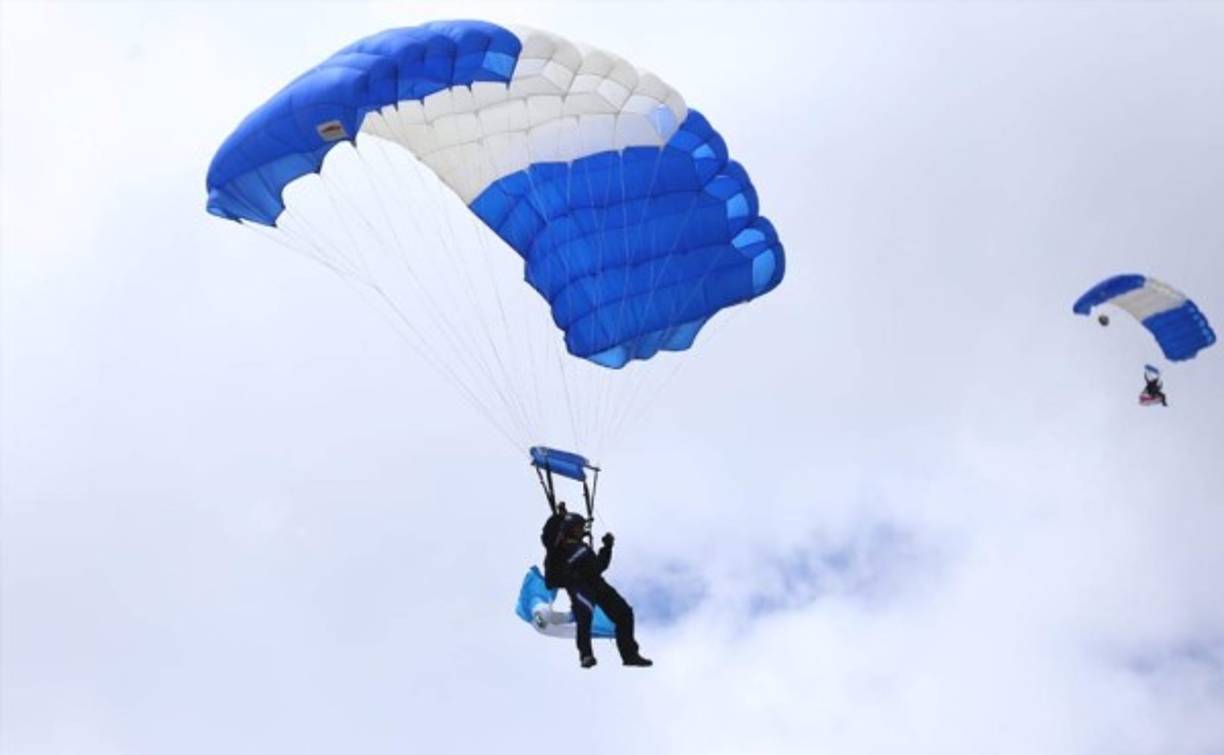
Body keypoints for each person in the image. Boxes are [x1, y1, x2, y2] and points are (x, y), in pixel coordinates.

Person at [540, 508, 652, 669]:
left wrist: (607, 547)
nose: (581, 530)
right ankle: (586, 655)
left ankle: (630, 655)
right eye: (578, 527)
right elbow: (547, 534)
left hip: (597, 584)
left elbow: (599, 566)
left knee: (624, 613)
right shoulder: (557, 546)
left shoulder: (584, 548)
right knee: (584, 616)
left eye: (582, 527)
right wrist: (559, 517)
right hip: (578, 585)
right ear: (570, 527)